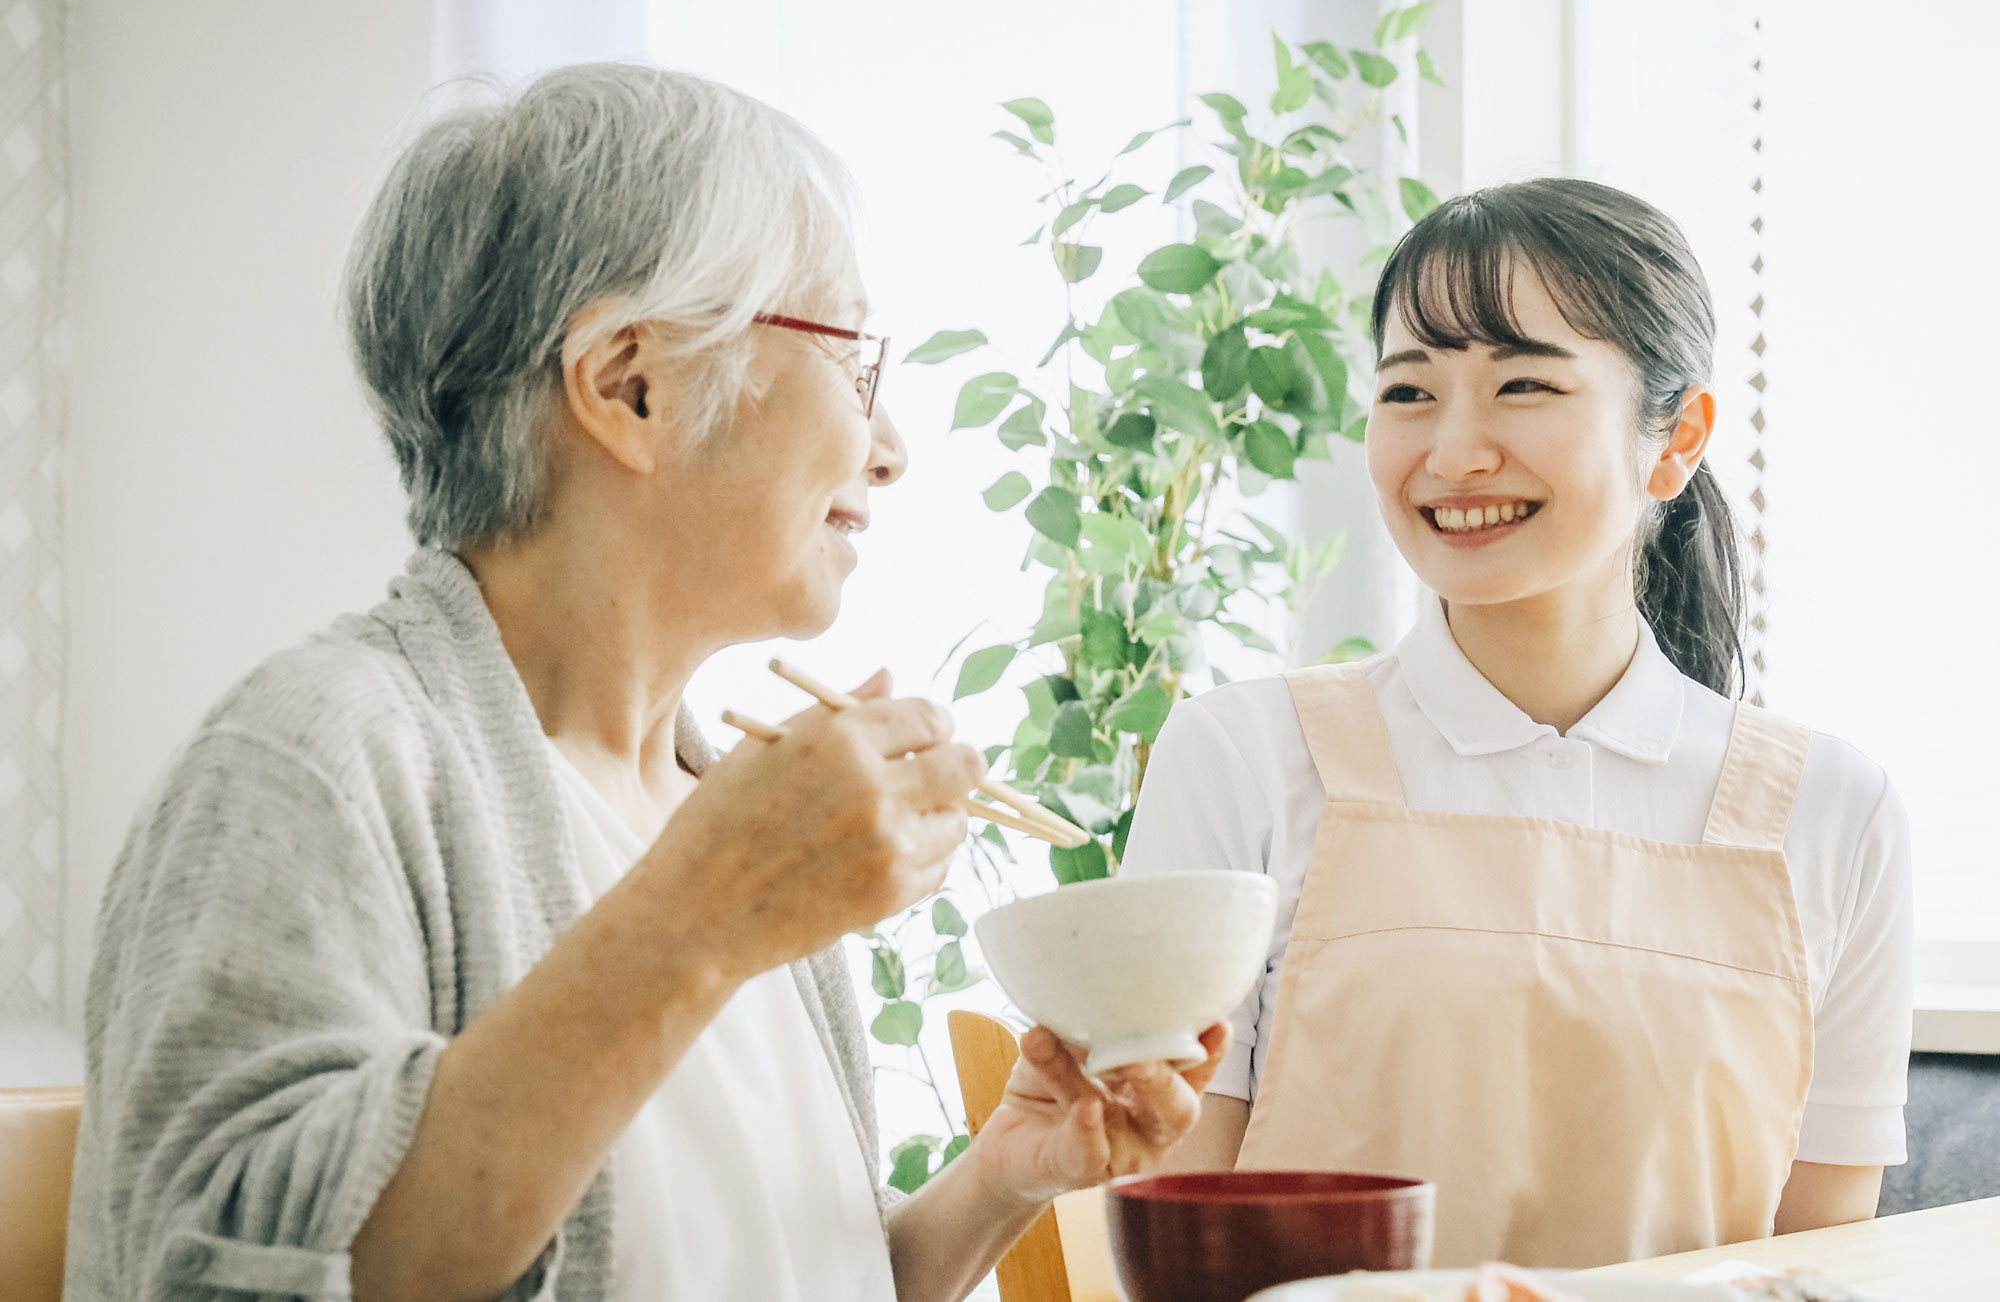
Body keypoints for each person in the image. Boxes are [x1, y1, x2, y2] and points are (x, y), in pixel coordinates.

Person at [65, 63, 1227, 1302]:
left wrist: (998, 1179)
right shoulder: (317, 758)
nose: (889, 449)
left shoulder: (708, 803)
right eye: (853, 361)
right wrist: (705, 913)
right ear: (631, 383)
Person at [1123, 179, 1912, 1269]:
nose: (1450, 452)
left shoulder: (1833, 808)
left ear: (1675, 437)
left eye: (1523, 383)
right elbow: (1182, 1239)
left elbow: (1819, 1260)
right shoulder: (1243, 759)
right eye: (1407, 392)